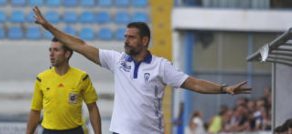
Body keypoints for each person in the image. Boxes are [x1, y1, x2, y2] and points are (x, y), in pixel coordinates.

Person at [32, 6, 251, 134]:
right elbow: (79, 46)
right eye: (125, 36)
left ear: (144, 40)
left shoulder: (161, 66)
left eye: (131, 37)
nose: (125, 40)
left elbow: (191, 83)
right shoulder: (116, 60)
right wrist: (49, 27)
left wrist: (224, 89)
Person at [26, 38, 101, 134]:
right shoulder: (41, 78)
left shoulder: (82, 77)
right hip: (49, 131)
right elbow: (35, 111)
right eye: (50, 50)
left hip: (75, 131)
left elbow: (92, 108)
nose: (51, 54)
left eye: (56, 50)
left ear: (67, 54)